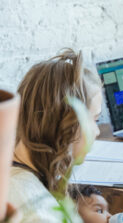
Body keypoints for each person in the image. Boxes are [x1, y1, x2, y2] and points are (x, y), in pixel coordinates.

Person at [9, 49, 102, 222]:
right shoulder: (35, 210)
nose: (97, 131)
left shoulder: (14, 176)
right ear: (69, 121)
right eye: (95, 119)